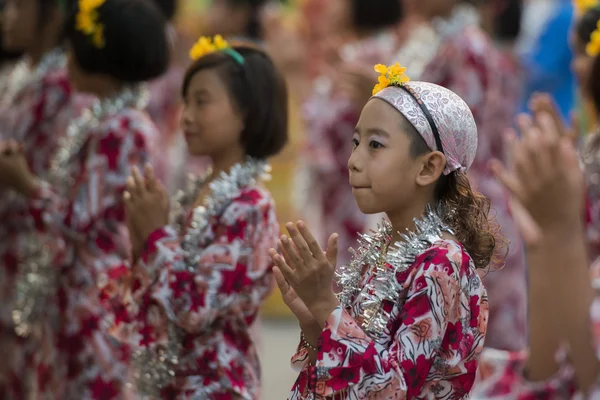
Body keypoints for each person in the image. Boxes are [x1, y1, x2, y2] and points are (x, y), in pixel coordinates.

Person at [272, 63, 493, 398]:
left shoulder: (441, 263)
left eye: (375, 145)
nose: (354, 160)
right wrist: (313, 321)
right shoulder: (383, 246)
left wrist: (324, 304)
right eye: (355, 142)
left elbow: (394, 389)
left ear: (428, 167)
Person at [0, 0, 168, 397]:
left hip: (93, 303)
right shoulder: (106, 121)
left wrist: (25, 184)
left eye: (75, 46)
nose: (68, 57)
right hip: (76, 297)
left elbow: (78, 223)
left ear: (102, 55)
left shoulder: (121, 129)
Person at [114, 36, 287, 398]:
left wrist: (156, 235)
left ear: (247, 113)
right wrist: (140, 237)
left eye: (201, 101)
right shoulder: (199, 195)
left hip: (214, 385)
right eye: (185, 101)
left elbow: (194, 309)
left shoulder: (250, 207)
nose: (186, 116)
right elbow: (156, 292)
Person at [0, 0, 78, 397]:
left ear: (53, 15)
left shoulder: (65, 85)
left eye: (19, 6)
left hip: (35, 246)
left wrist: (22, 180)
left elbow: (60, 183)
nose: (7, 17)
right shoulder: (15, 75)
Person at [294, 0, 402, 268]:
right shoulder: (359, 52)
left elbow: (333, 128)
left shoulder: (370, 57)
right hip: (346, 194)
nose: (327, 6)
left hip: (355, 197)